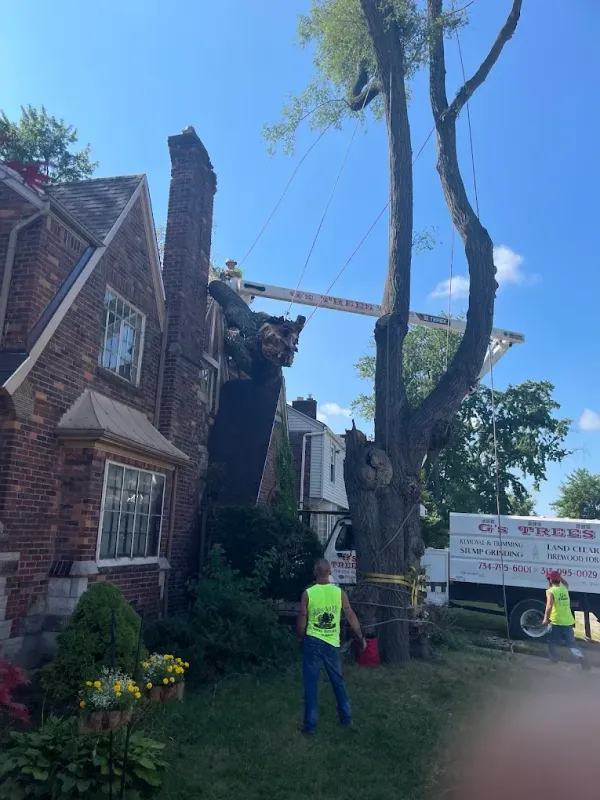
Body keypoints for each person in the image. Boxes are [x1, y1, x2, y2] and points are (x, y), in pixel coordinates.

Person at [296, 558, 366, 735]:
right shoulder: (339, 593)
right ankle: (346, 718)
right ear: (329, 572)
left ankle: (310, 726)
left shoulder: (308, 593)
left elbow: (303, 617)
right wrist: (360, 637)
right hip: (332, 643)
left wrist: (300, 636)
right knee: (337, 681)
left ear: (315, 572)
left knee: (311, 683)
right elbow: (350, 615)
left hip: (312, 641)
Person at [542, 569, 586, 667]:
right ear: (559, 579)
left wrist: (545, 618)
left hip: (556, 621)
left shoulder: (550, 591)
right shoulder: (565, 588)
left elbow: (549, 606)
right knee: (571, 643)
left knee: (552, 641)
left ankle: (554, 660)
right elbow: (566, 583)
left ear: (550, 580)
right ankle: (581, 658)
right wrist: (559, 577)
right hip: (568, 621)